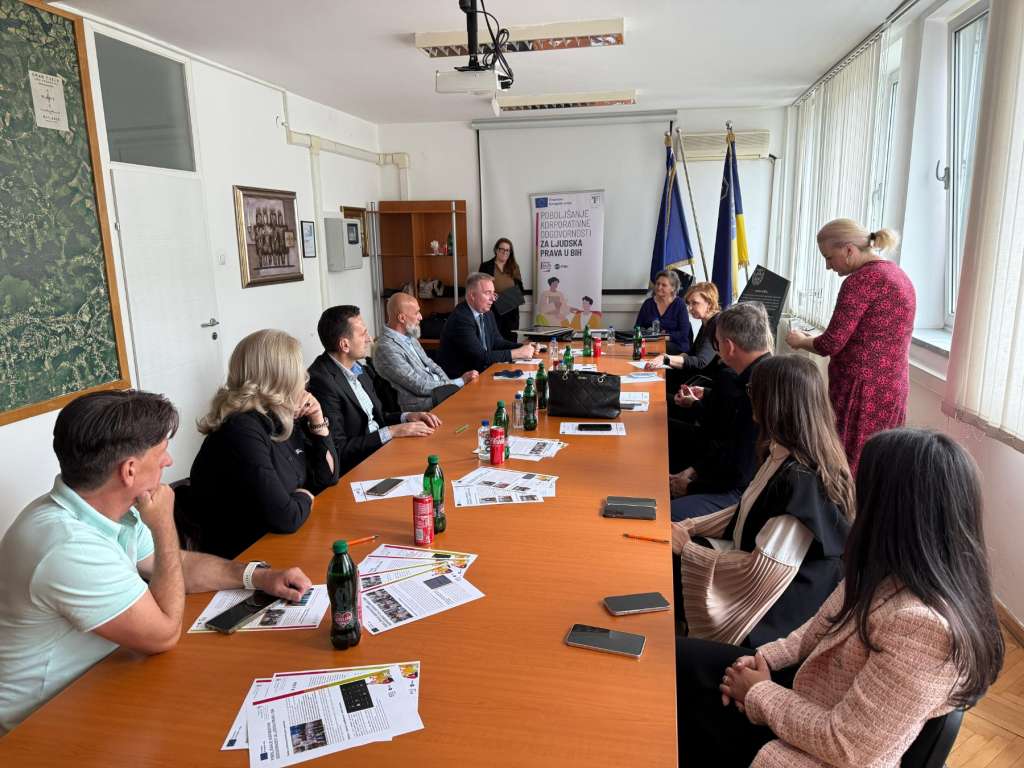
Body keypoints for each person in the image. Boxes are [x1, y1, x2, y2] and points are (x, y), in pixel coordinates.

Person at [677, 428, 1004, 767]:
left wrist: (758, 692)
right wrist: (766, 659)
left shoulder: (926, 629)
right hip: (803, 701)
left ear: (893, 509)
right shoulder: (886, 568)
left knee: (676, 714)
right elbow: (819, 627)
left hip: (811, 753)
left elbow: (847, 745)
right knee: (672, 662)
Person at [0, 390, 313, 735]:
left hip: (103, 680)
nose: (168, 461)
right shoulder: (67, 545)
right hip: (40, 725)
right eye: (161, 451)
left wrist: (257, 576)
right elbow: (163, 634)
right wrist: (164, 524)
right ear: (129, 470)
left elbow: (173, 565)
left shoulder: (106, 509)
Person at [671, 355, 854, 648]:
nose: (750, 397)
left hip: (769, 615)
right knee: (665, 554)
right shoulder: (783, 451)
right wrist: (688, 526)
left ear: (775, 403)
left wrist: (688, 548)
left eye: (753, 391)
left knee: (669, 566)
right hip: (756, 573)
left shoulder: (802, 483)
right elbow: (746, 508)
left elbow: (758, 573)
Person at [188, 329, 340, 559]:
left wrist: (317, 418)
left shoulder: (278, 417)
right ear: (279, 378)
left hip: (280, 544)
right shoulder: (241, 429)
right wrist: (305, 497)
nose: (305, 378)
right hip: (244, 557)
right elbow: (286, 517)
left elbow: (327, 477)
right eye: (298, 371)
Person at [785, 219, 915, 475]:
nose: (827, 266)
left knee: (845, 464)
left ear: (848, 250)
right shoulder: (899, 276)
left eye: (828, 257)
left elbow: (831, 343)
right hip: (893, 387)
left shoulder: (861, 281)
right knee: (880, 462)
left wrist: (800, 341)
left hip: (860, 392)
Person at [309, 305, 441, 477]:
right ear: (344, 345)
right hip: (359, 468)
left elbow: (376, 417)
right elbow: (339, 449)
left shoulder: (358, 369)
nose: (369, 339)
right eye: (363, 334)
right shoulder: (322, 382)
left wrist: (407, 417)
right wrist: (393, 431)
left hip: (383, 451)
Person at [670, 302, 771, 521]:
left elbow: (738, 471)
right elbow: (727, 445)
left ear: (728, 346)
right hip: (738, 480)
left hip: (746, 494)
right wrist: (695, 470)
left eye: (716, 342)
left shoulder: (755, 391)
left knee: (663, 516)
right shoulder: (762, 374)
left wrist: (691, 486)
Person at [373, 293, 479, 411]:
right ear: (402, 318)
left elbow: (432, 365)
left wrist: (450, 386)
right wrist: (458, 382)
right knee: (475, 405)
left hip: (439, 393)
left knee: (477, 395)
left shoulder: (409, 336)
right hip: (422, 405)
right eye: (416, 313)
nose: (421, 317)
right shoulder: (386, 348)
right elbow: (418, 385)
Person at [437, 272, 537, 378]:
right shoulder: (461, 318)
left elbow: (497, 343)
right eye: (488, 293)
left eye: (493, 293)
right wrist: (518, 353)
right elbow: (481, 357)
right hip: (461, 380)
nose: (493, 298)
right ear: (472, 295)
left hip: (482, 373)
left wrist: (524, 347)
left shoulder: (487, 313)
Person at [648, 281, 721, 372]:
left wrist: (667, 359)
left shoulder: (716, 324)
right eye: (689, 304)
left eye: (695, 303)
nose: (690, 308)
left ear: (709, 303)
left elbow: (701, 362)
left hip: (710, 377)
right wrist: (667, 357)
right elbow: (692, 353)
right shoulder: (706, 323)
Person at [636, 269, 694, 354]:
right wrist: (648, 333)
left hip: (676, 346)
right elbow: (637, 327)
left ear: (673, 288)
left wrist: (663, 337)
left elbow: (683, 333)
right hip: (651, 343)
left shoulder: (680, 304)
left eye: (664, 285)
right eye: (657, 284)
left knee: (657, 349)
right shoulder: (648, 304)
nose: (659, 287)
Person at [479, 237, 525, 342]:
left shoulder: (514, 267)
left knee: (511, 340)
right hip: (493, 309)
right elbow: (480, 287)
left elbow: (520, 287)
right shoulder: (486, 266)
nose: (505, 252)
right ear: (496, 250)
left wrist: (516, 295)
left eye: (507, 250)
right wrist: (491, 295)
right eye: (502, 249)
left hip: (511, 310)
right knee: (494, 339)